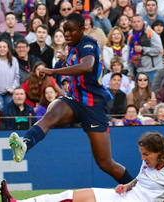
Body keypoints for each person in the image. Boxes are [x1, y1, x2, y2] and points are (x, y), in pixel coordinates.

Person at [10, 13, 134, 185]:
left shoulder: (88, 43)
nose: (67, 34)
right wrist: (65, 59)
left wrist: (53, 71)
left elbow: (87, 66)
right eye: (65, 30)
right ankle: (24, 144)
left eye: (71, 31)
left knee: (105, 163)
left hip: (93, 106)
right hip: (74, 100)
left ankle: (137, 189)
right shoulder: (73, 46)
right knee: (50, 115)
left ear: (82, 30)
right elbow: (77, 61)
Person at [1, 131, 164, 202]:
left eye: (146, 154)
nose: (143, 158)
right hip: (124, 196)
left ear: (159, 152)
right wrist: (127, 185)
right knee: (69, 196)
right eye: (141, 153)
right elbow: (140, 179)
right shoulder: (149, 161)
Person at [127, 14, 163, 82]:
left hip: (153, 71)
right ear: (131, 23)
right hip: (139, 72)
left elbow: (159, 49)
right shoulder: (131, 36)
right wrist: (130, 73)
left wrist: (143, 49)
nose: (136, 24)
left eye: (138, 21)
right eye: (134, 22)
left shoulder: (151, 33)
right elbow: (130, 56)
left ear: (143, 22)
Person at [0, 39, 20, 111]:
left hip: (9, 92)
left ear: (8, 49)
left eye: (4, 47)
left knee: (10, 108)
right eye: (0, 47)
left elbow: (16, 76)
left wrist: (13, 88)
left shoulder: (14, 60)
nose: (2, 49)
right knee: (0, 108)